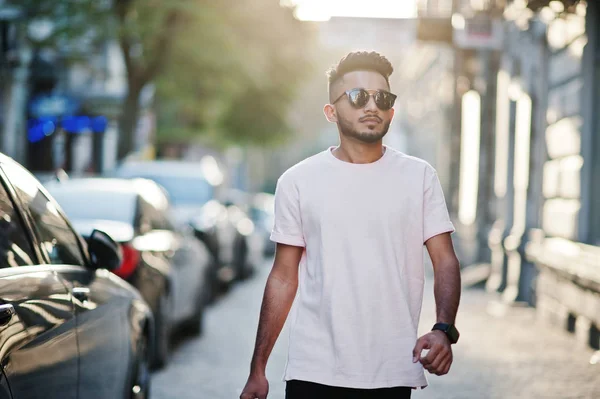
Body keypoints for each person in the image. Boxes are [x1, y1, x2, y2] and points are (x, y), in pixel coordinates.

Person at [240, 51, 461, 399]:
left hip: (391, 371)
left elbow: (445, 259)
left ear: (391, 109)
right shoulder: (298, 181)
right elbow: (284, 276)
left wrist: (444, 329)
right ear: (331, 111)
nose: (371, 105)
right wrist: (258, 369)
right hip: (313, 369)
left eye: (382, 97)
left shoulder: (419, 177)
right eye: (358, 96)